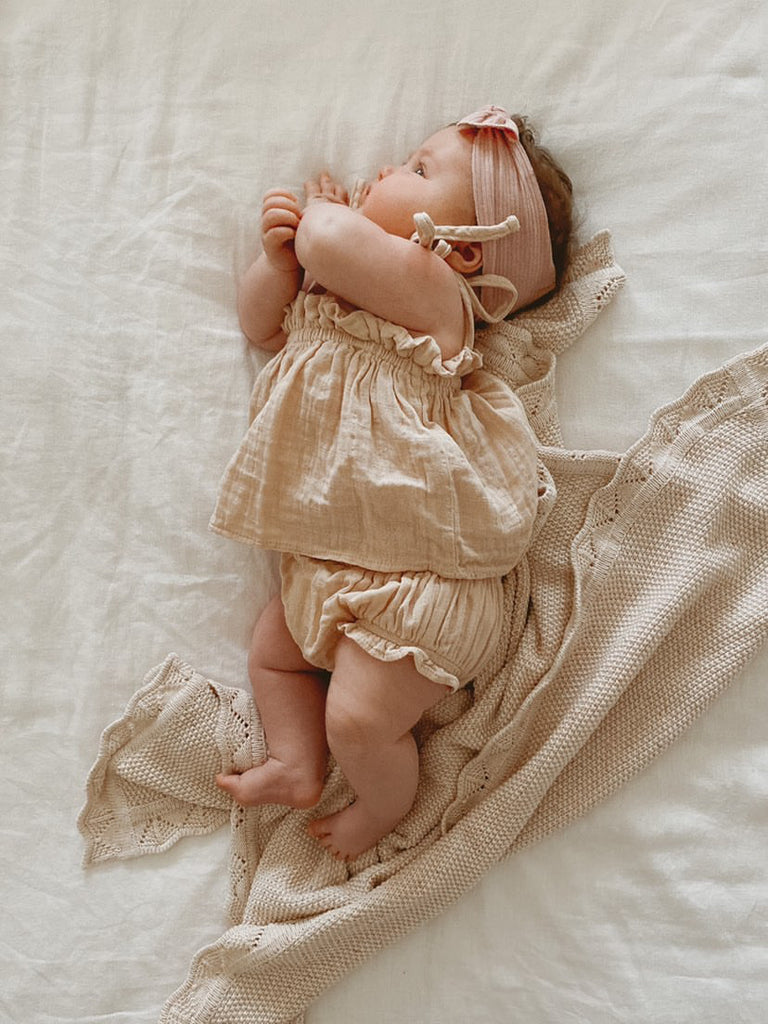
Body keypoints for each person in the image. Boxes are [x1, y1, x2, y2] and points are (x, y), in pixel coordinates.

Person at [211, 105, 574, 860]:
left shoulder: (436, 300)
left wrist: (319, 225)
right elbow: (262, 328)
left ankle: (383, 806)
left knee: (357, 719)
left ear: (463, 251)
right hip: (335, 567)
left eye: (416, 170)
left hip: (421, 583)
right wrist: (280, 269)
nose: (385, 170)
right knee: (272, 650)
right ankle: (296, 761)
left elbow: (331, 239)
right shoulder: (338, 298)